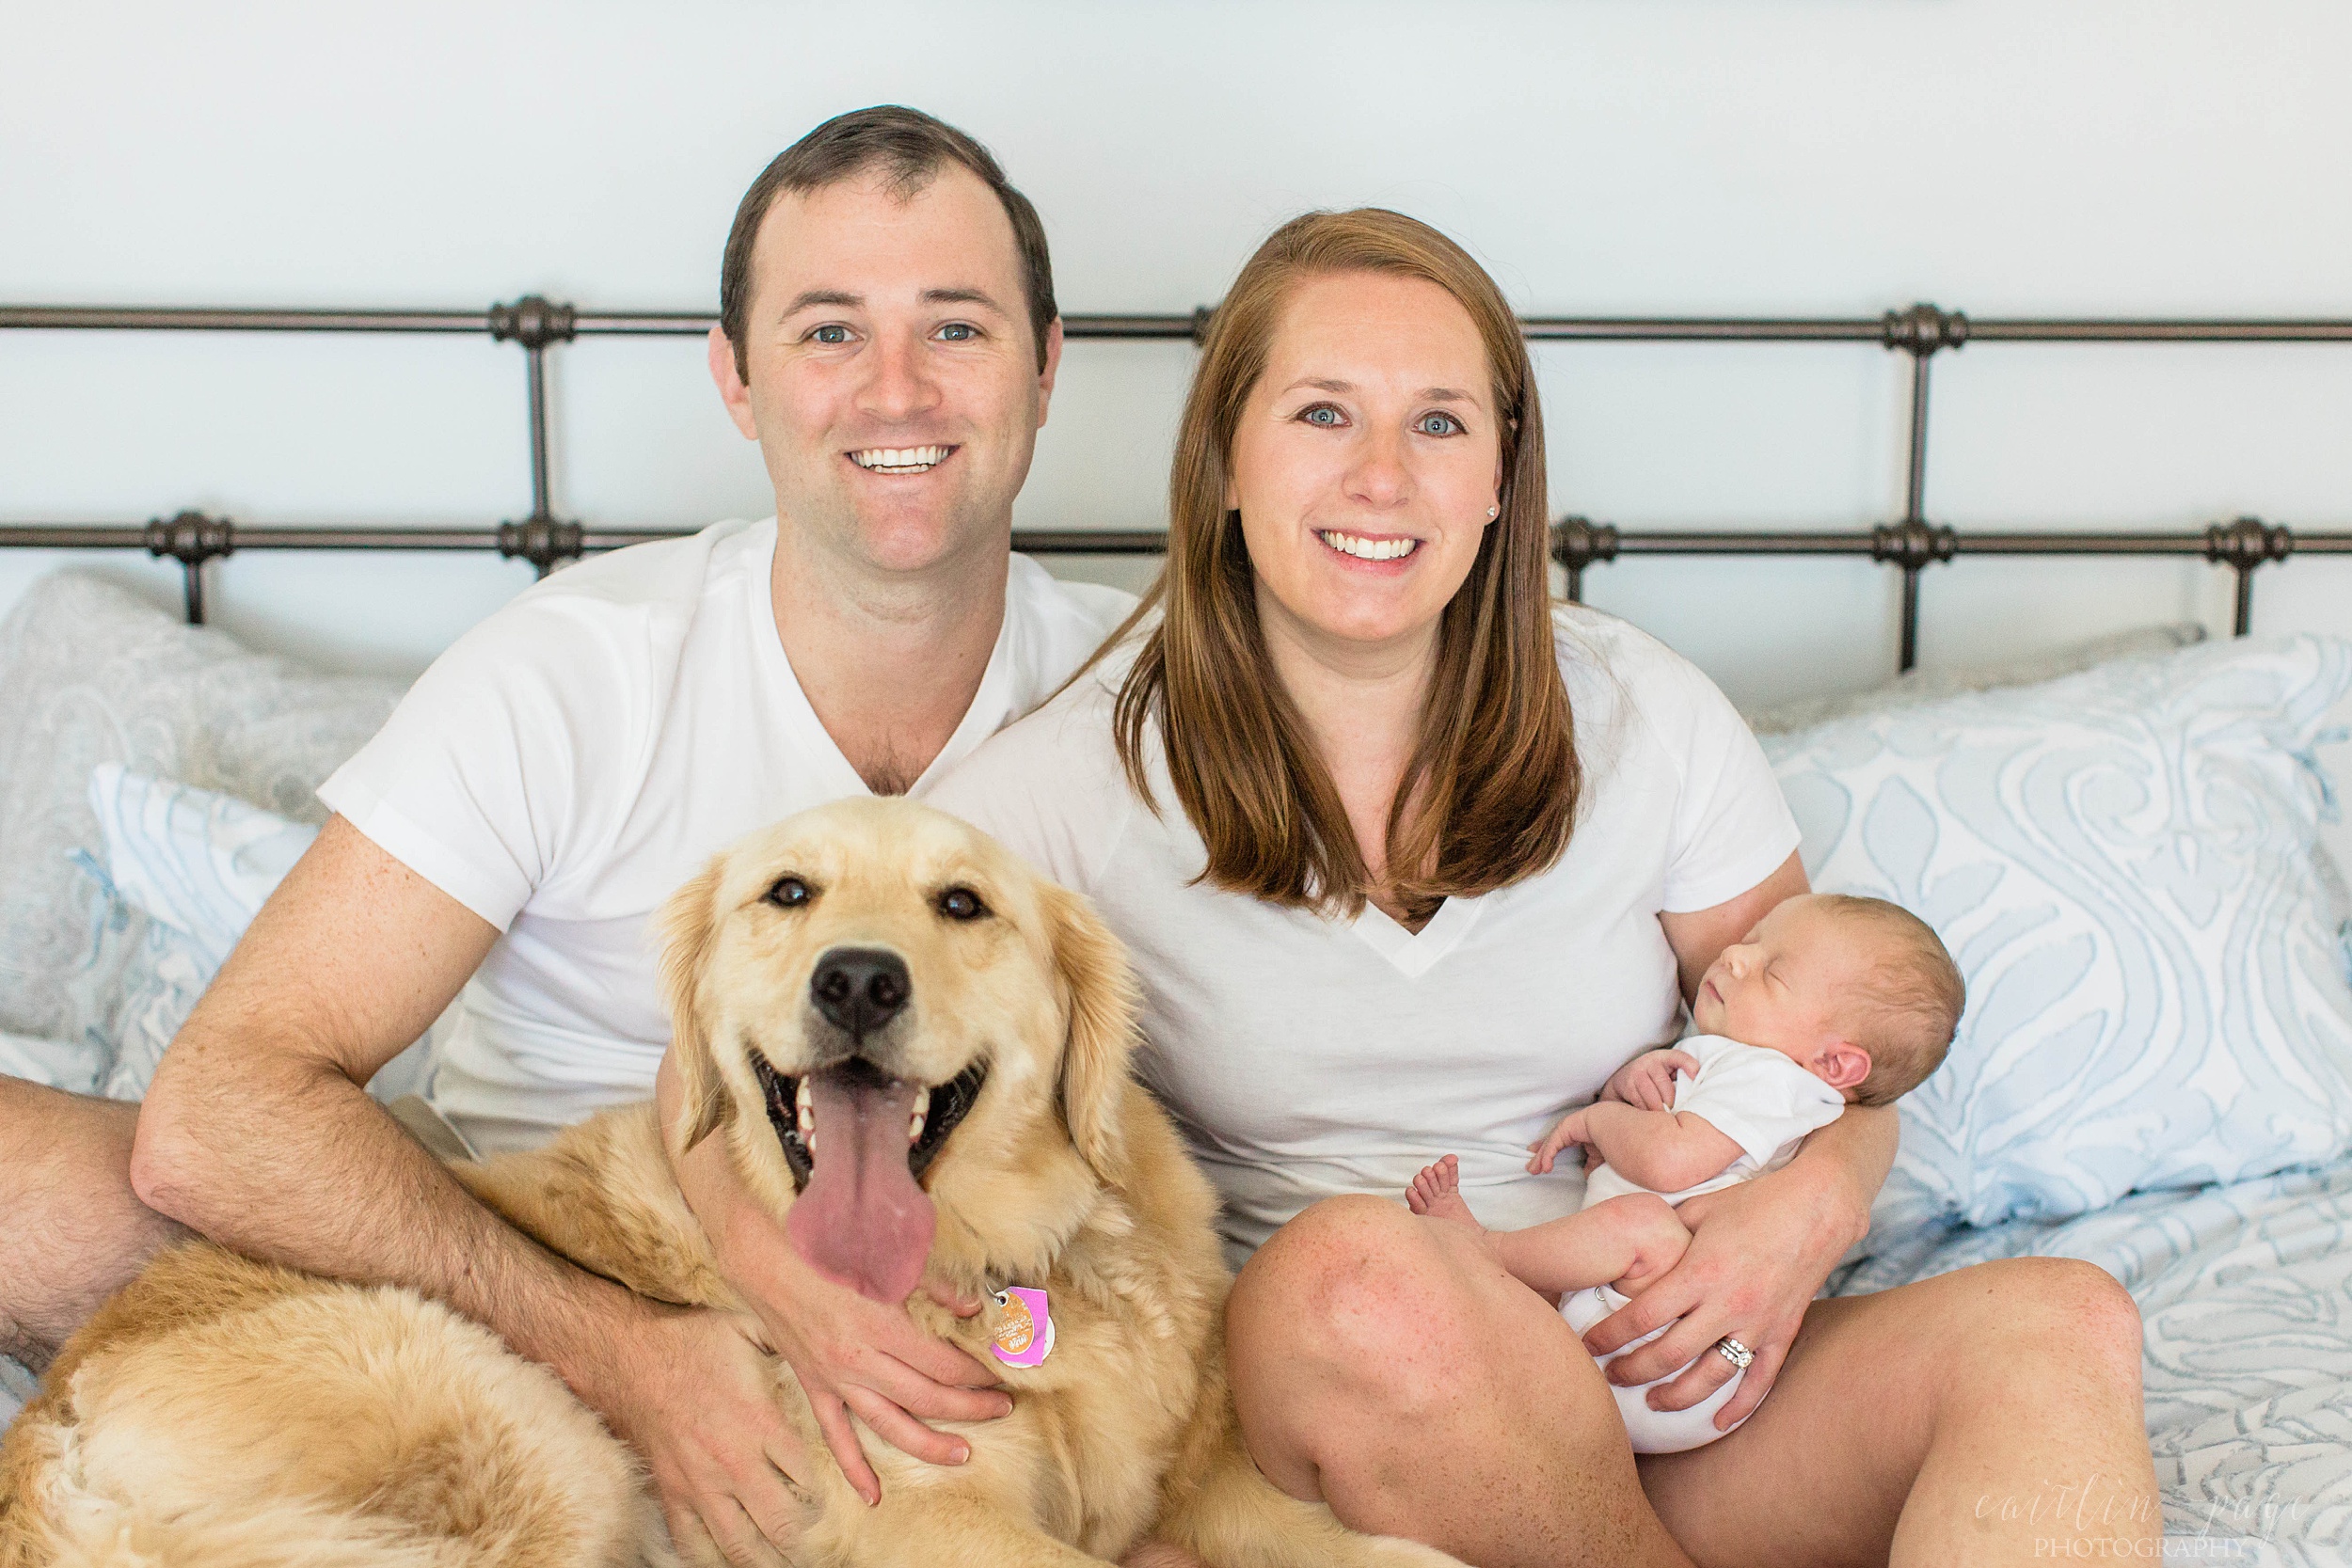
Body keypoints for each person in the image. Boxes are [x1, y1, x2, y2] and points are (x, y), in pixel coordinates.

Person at [669, 205, 2160, 1566]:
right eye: (1323, 413)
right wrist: (794, 1290)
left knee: (2064, 1320)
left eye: (1438, 422)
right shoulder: (1055, 793)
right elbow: (713, 1067)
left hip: (1660, 1388)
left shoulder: (1646, 710)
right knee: (1358, 1272)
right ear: (1227, 461)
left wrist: (1804, 1220)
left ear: (1501, 474)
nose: (1381, 476)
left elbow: (1841, 1052)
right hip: (1330, 1427)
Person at [0, 104, 1131, 1567]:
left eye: (958, 327)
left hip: (944, 1278)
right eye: (829, 330)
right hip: (524, 1248)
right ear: (737, 379)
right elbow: (221, 1105)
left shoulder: (1149, 703)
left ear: (1045, 365)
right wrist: (623, 1348)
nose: (895, 388)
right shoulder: (574, 668)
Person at [1405, 891, 1964, 1454]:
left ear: (1835, 1063)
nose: (1736, 957)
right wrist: (1638, 1084)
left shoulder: (1775, 1079)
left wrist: (1601, 1120)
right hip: (1651, 1337)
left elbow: (1670, 1160)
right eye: (1751, 939)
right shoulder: (1742, 1062)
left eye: (1773, 972)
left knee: (1640, 1225)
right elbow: (1679, 1119)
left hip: (1677, 1345)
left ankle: (1481, 1252)